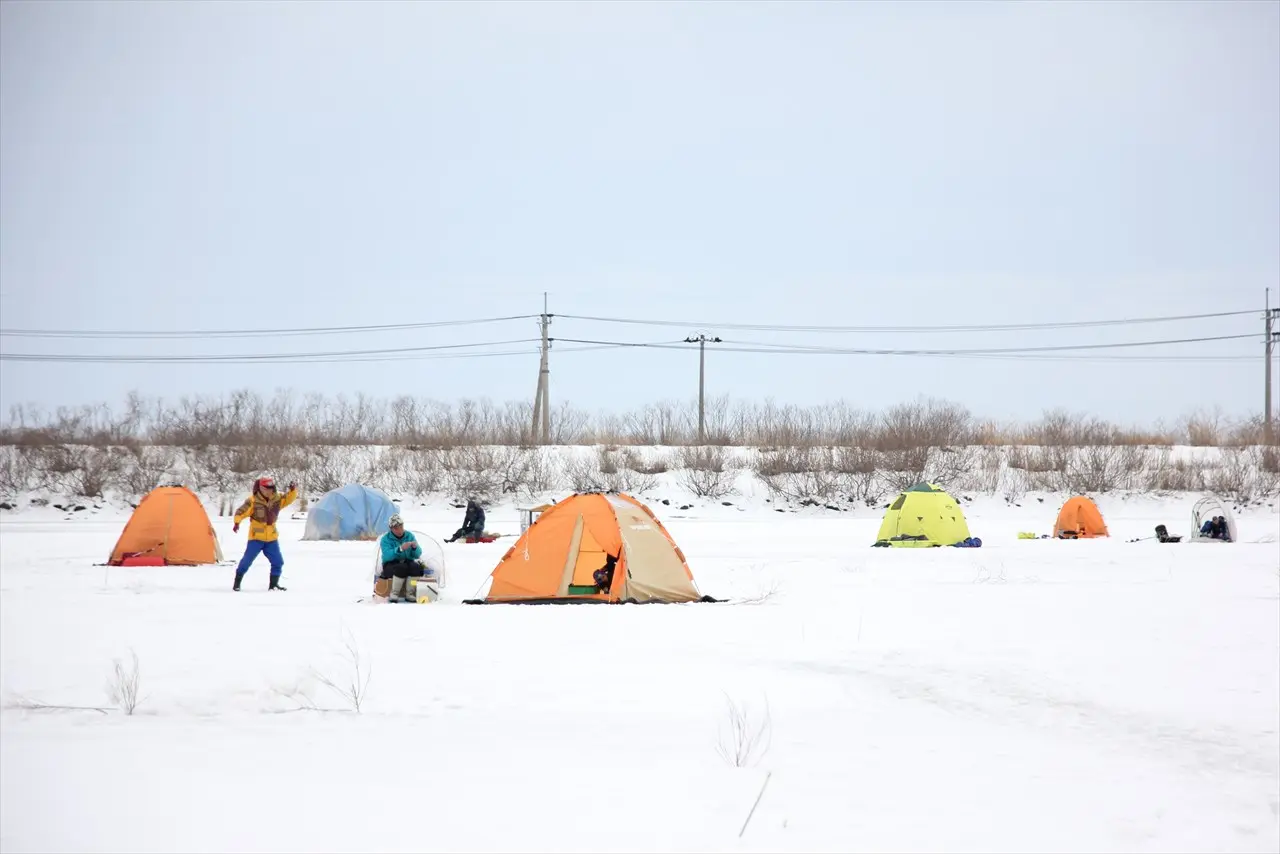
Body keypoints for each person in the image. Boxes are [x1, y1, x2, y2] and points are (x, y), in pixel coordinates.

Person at [232, 476, 298, 591]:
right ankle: (237, 583)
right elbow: (240, 512)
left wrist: (293, 491)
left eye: (271, 488)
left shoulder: (278, 499)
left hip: (271, 538)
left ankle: (273, 585)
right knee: (246, 562)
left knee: (278, 562)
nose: (269, 490)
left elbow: (289, 498)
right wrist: (237, 522)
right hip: (256, 538)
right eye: (267, 488)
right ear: (260, 488)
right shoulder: (252, 500)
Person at [379, 513, 425, 602]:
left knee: (416, 568)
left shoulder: (409, 536)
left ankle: (410, 593)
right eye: (396, 528)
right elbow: (387, 555)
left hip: (407, 561)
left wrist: (415, 548)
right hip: (390, 564)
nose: (399, 530)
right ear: (391, 529)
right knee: (401, 568)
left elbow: (417, 554)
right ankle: (394, 593)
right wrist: (399, 549)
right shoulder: (385, 539)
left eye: (401, 527)